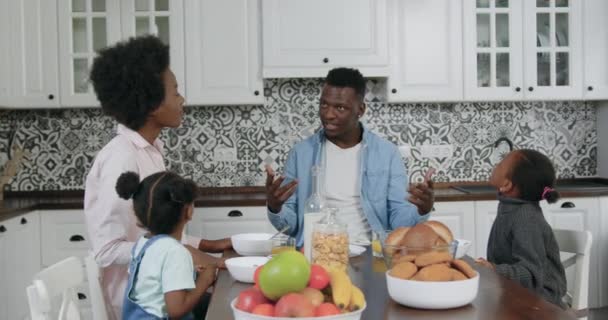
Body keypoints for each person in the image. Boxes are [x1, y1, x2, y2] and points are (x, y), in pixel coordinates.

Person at [84, 35, 231, 319]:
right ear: (151, 104)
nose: (182, 98)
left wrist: (207, 246)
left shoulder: (150, 151)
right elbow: (107, 250)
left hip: (167, 291)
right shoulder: (121, 158)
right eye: (175, 91)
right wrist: (192, 255)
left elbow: (157, 228)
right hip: (142, 306)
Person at [265, 67, 435, 247]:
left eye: (340, 107)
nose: (328, 114)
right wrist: (275, 208)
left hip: (369, 252)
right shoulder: (300, 154)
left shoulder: (387, 153)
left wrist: (421, 210)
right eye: (324, 104)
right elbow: (289, 227)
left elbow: (398, 222)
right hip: (315, 253)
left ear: (360, 110)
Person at [116, 171, 217, 319]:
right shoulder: (175, 252)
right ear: (188, 211)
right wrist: (205, 280)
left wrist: (189, 271)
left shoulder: (143, 243)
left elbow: (152, 282)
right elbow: (176, 310)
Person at [476, 149, 567, 308]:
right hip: (516, 293)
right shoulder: (510, 208)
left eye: (501, 163)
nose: (496, 164)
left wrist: (494, 269)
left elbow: (531, 275)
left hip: (542, 304)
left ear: (507, 185)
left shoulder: (525, 218)